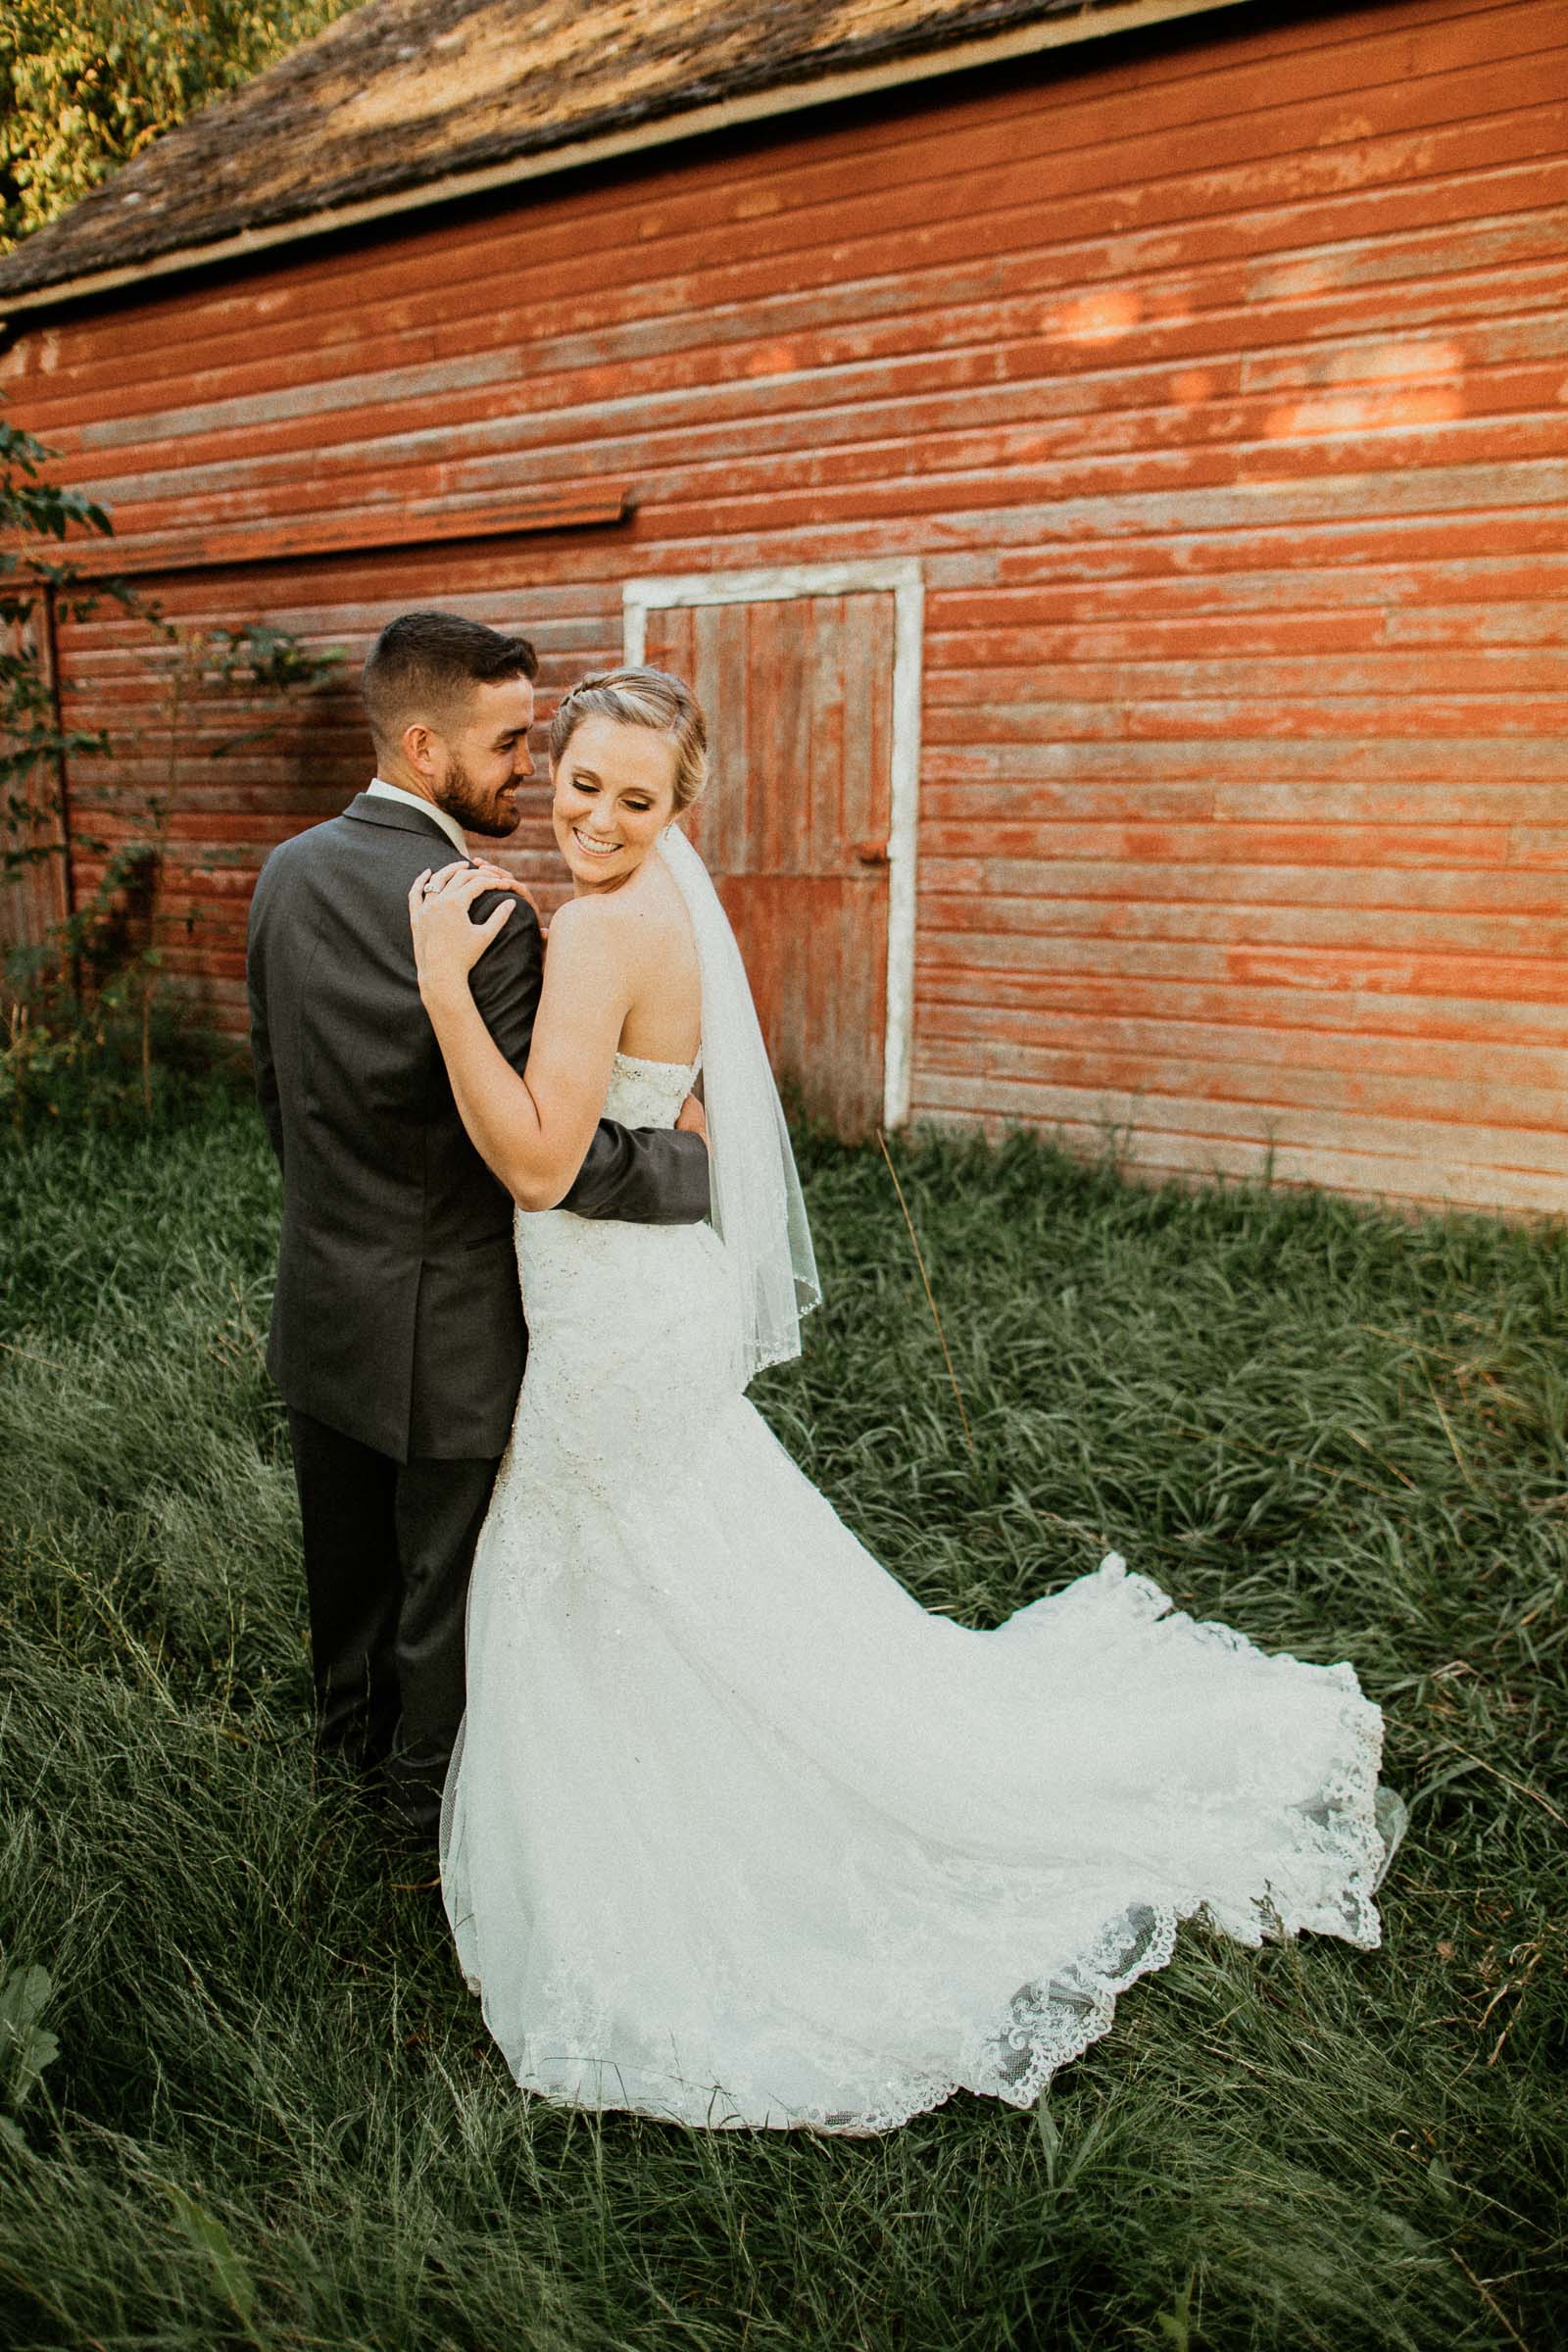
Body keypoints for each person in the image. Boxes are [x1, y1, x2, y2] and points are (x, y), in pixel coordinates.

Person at [407, 663, 1403, 2134]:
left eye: (634, 796)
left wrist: (445, 994)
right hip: (644, 1305)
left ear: (680, 808)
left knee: (593, 1562)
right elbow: (669, 1112)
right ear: (555, 768)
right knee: (682, 1562)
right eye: (580, 782)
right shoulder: (669, 910)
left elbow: (546, 1163)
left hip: (614, 1319)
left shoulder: (609, 923)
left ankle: (690, 1852)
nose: (597, 814)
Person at [245, 615, 710, 1846]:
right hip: (451, 1323)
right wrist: (685, 1167)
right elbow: (530, 1153)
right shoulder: (484, 916)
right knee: (439, 1599)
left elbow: (280, 1096)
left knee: (341, 1577)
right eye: (511, 742)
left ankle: (341, 1770)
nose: (531, 766)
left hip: (323, 1297)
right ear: (420, 742)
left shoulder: (285, 874)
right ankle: (412, 1841)